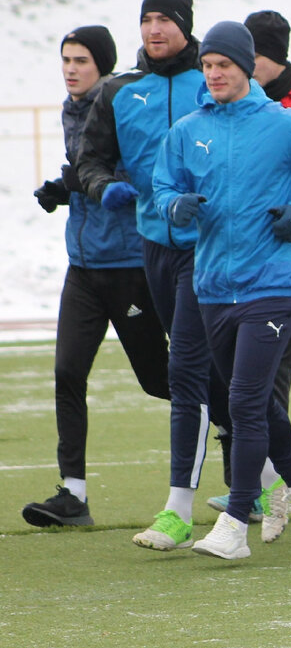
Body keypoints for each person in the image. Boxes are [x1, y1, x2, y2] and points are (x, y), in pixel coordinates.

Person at [152, 21, 291, 560]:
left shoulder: (286, 124)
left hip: (274, 282)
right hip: (213, 286)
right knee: (248, 402)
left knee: (242, 399)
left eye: (224, 66)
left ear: (246, 67)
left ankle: (235, 524)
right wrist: (173, 205)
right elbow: (163, 183)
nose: (214, 74)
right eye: (208, 66)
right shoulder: (188, 130)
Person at [76, 0, 222, 550]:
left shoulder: (212, 78)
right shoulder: (118, 91)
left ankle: (178, 508)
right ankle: (279, 477)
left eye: (166, 19)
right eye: (147, 20)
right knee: (203, 372)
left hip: (211, 247)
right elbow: (90, 158)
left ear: (186, 24)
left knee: (186, 368)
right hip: (150, 249)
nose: (154, 29)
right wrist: (104, 186)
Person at [22, 26, 171, 529]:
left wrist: (82, 185)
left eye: (81, 60)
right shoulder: (71, 111)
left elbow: (141, 175)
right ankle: (74, 495)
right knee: (67, 373)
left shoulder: (128, 106)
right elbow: (88, 171)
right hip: (83, 268)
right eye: (65, 59)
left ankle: (248, 449)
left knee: (159, 380)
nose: (70, 69)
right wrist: (66, 188)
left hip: (130, 267)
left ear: (102, 67)